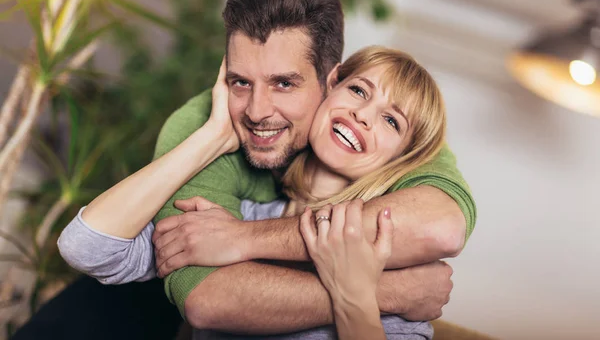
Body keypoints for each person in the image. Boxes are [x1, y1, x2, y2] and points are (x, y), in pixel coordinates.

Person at [13, 0, 474, 340]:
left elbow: (442, 226)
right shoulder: (233, 210)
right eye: (240, 82)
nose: (255, 111)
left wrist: (354, 288)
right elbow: (91, 249)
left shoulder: (393, 232)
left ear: (326, 81)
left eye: (284, 83)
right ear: (340, 87)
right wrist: (211, 137)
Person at [59, 45, 449, 339]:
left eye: (391, 120)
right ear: (330, 87)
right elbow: (87, 247)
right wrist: (210, 137)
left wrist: (359, 296)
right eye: (360, 91)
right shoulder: (231, 219)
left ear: (404, 158)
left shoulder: (395, 263)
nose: (363, 115)